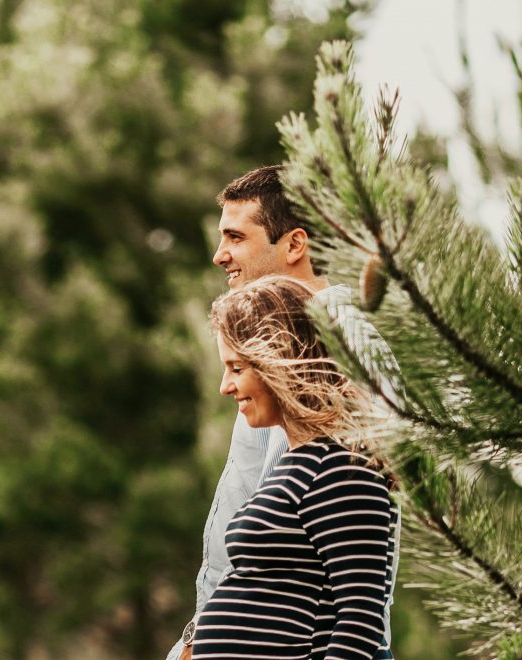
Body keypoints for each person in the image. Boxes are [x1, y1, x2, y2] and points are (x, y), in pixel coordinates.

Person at [166, 166, 400, 660]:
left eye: (235, 236)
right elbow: (249, 516)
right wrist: (197, 636)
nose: (219, 254)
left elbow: (351, 535)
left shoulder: (343, 347)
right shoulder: (271, 356)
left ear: (294, 245)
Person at [192, 274, 397, 658]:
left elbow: (360, 621)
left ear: (281, 363)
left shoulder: (342, 470)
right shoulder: (298, 464)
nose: (225, 386)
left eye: (237, 369)